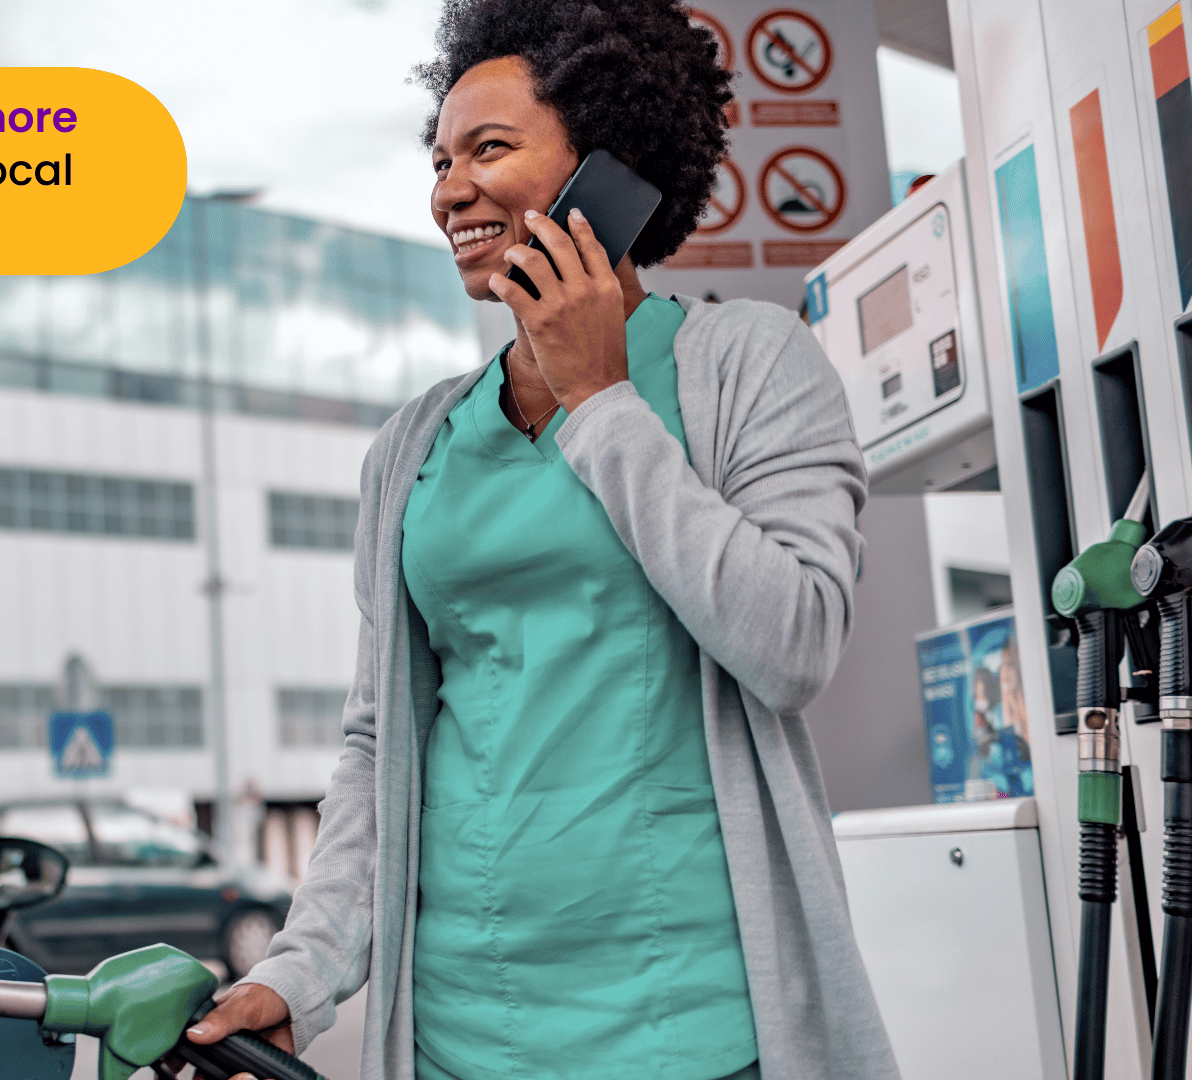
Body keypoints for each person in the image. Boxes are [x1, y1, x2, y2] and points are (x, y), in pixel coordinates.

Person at [180, 2, 901, 1079]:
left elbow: (790, 643)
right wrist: (300, 968)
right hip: (464, 1035)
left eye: (490, 148)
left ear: (606, 166)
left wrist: (600, 400)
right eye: (438, 160)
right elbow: (382, 744)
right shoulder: (414, 445)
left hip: (696, 1030)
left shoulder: (749, 365)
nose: (449, 190)